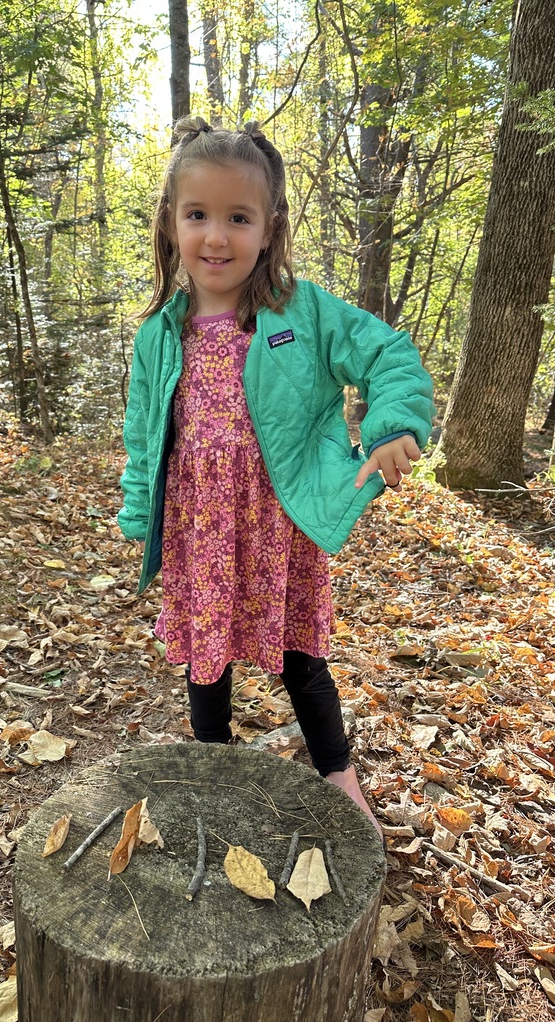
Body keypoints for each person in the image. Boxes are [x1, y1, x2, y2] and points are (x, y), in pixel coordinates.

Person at [117, 116, 435, 835]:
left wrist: (393, 426)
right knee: (206, 657)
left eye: (238, 217)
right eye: (198, 215)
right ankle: (214, 776)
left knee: (300, 656)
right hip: (198, 526)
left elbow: (388, 355)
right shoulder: (157, 335)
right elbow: (143, 437)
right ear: (171, 223)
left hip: (278, 523)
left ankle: (341, 780)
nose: (216, 237)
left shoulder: (302, 313)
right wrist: (140, 513)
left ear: (269, 228)